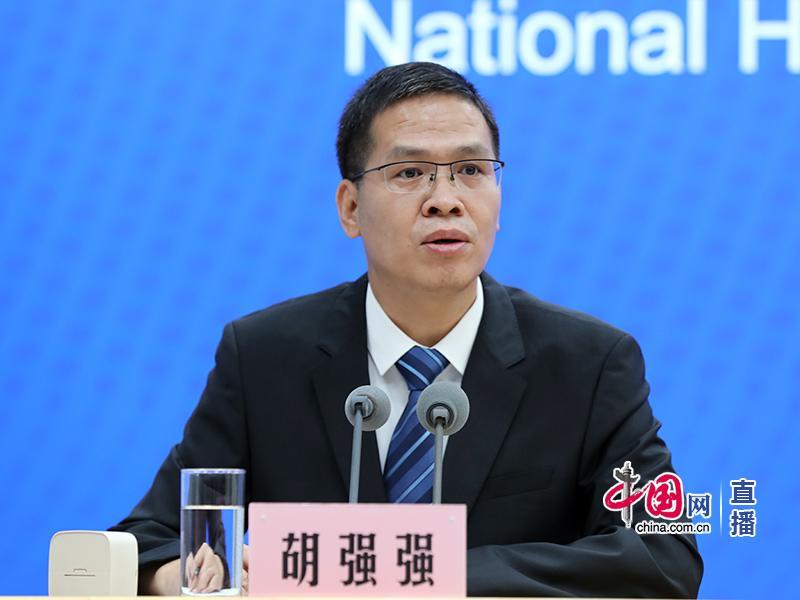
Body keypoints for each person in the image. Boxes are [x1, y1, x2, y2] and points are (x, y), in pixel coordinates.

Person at [111, 62, 703, 597]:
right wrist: (190, 578)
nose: (445, 200)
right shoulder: (265, 358)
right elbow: (149, 538)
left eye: (471, 170)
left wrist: (425, 573)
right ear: (350, 207)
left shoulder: (588, 363)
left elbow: (662, 555)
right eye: (410, 172)